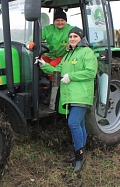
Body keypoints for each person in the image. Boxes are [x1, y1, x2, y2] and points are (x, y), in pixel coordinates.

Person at [35, 27, 98, 172]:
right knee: (80, 124)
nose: (72, 39)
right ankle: (80, 153)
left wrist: (71, 76)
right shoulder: (68, 55)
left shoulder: (87, 52)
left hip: (82, 95)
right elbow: (57, 70)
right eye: (70, 36)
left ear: (81, 38)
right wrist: (44, 65)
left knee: (73, 123)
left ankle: (79, 157)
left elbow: (90, 72)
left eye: (75, 36)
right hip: (70, 96)